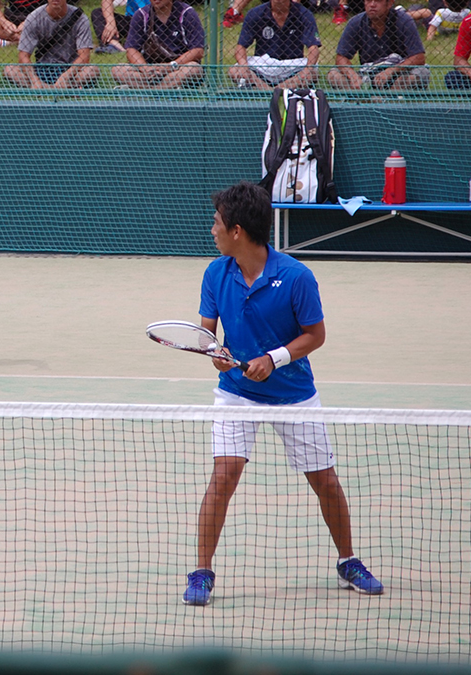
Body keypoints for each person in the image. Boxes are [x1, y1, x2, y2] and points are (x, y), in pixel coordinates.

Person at [183, 181, 384, 607]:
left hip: (294, 395)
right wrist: (216, 353)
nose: (212, 229)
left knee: (325, 481)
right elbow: (206, 332)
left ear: (237, 230)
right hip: (236, 392)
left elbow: (315, 336)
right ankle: (201, 571)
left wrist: (273, 359)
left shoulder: (296, 277)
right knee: (223, 477)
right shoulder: (215, 272)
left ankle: (348, 561)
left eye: (217, 223)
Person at [327, 0, 428, 90]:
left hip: (398, 74)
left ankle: (387, 99)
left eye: (378, 1)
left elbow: (419, 57)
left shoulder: (404, 20)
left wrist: (391, 71)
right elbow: (341, 58)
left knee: (420, 73)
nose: (372, 4)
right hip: (368, 74)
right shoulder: (356, 22)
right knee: (334, 74)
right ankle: (364, 97)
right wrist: (352, 76)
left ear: (389, 4)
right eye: (368, 0)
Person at [3, 0, 99, 89]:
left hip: (70, 69)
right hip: (42, 68)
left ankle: (50, 88)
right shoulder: (34, 17)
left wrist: (65, 77)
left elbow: (84, 56)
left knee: (92, 71)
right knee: (10, 70)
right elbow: (23, 55)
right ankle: (62, 88)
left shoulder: (80, 18)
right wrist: (34, 79)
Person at [110, 0, 205, 89]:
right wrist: (145, 69)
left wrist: (170, 66)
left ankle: (146, 90)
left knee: (193, 69)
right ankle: (168, 88)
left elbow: (198, 51)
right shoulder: (141, 14)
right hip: (150, 70)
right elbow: (131, 50)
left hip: (178, 67)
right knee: (118, 70)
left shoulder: (187, 13)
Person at [229, 0, 320, 90]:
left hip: (292, 66)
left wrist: (308, 69)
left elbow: (314, 48)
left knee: (313, 73)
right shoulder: (255, 13)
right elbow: (240, 47)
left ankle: (268, 90)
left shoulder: (304, 14)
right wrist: (244, 66)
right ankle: (278, 90)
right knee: (234, 71)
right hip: (263, 65)